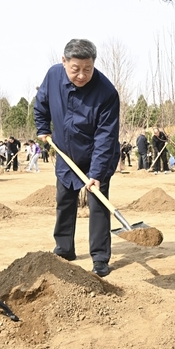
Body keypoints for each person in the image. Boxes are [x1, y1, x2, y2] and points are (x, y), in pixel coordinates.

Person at [34, 39, 120, 278]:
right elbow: (41, 103)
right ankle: (64, 249)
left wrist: (97, 173)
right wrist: (43, 128)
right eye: (75, 69)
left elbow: (106, 136)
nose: (82, 75)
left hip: (97, 154)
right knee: (64, 201)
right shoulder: (53, 76)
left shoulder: (106, 92)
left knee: (98, 205)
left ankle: (100, 258)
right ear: (64, 62)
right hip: (65, 153)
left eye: (87, 69)